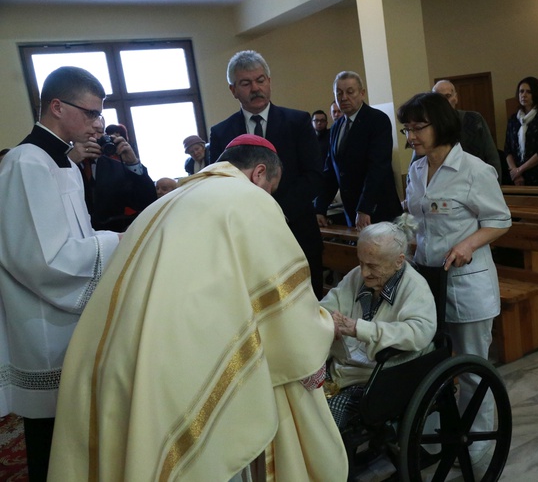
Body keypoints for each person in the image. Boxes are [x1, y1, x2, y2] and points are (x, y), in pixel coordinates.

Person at [48, 134, 348, 482]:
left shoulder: (169, 199)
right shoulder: (249, 198)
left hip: (112, 355)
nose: (268, 197)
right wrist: (320, 331)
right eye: (271, 188)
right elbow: (285, 303)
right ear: (259, 173)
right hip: (175, 364)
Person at [0, 66, 121, 482]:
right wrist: (116, 242)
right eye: (90, 113)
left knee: (76, 429)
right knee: (50, 437)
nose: (97, 123)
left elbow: (77, 236)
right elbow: (43, 259)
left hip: (71, 313)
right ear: (57, 107)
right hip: (44, 322)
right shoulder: (25, 163)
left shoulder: (64, 164)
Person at [399, 92, 511, 463]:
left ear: (440, 125)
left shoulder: (474, 170)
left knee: (472, 366)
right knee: (432, 364)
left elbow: (499, 220)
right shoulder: (416, 169)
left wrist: (468, 244)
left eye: (419, 128)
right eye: (408, 128)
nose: (411, 136)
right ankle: (435, 434)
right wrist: (408, 245)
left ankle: (478, 442)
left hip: (467, 283)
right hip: (429, 282)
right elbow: (417, 220)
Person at [209, 50, 324, 298]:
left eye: (260, 80)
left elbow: (314, 176)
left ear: (269, 82)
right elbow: (217, 187)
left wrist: (275, 212)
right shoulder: (221, 133)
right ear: (233, 90)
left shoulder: (298, 122)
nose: (255, 88)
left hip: (296, 231)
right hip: (246, 240)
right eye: (246, 83)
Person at [321, 214, 437, 428]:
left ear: (398, 261)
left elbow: (419, 332)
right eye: (361, 263)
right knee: (296, 400)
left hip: (375, 379)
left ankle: (330, 460)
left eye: (373, 266)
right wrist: (328, 319)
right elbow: (330, 303)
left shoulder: (415, 287)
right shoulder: (357, 275)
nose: (364, 272)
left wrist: (359, 329)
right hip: (342, 369)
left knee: (322, 424)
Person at [315, 71, 402, 230]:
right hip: (350, 210)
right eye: (339, 93)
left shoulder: (377, 120)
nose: (344, 98)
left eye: (350, 92)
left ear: (362, 94)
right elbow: (331, 172)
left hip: (376, 209)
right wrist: (320, 207)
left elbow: (378, 167)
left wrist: (365, 208)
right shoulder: (336, 127)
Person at [67, 121, 158, 232]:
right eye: (88, 133)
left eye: (99, 132)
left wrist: (133, 163)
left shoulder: (117, 167)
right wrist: (68, 161)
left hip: (114, 238)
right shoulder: (60, 162)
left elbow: (146, 202)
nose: (95, 136)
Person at [428, 79, 505, 182]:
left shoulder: (474, 119)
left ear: (455, 97)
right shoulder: (427, 127)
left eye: (447, 96)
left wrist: (495, 185)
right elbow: (417, 161)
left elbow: (492, 156)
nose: (444, 102)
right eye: (439, 98)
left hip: (476, 182)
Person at [504, 77, 538, 185]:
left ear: (536, 94)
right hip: (516, 177)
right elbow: (507, 149)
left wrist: (520, 170)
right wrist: (514, 171)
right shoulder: (513, 119)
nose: (524, 95)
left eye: (529, 92)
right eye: (521, 91)